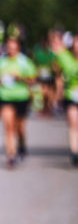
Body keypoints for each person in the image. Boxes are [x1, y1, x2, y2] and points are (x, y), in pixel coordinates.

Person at [0, 35, 35, 168]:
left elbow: (32, 79)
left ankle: (22, 144)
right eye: (9, 45)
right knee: (8, 126)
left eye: (14, 45)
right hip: (5, 96)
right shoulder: (1, 61)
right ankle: (11, 155)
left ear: (18, 46)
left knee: (19, 127)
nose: (11, 48)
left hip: (21, 96)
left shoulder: (24, 61)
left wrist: (20, 78)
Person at [51, 31, 78, 166]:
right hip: (71, 95)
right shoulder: (63, 56)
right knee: (73, 123)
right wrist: (58, 94)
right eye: (76, 42)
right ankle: (74, 152)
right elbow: (58, 76)